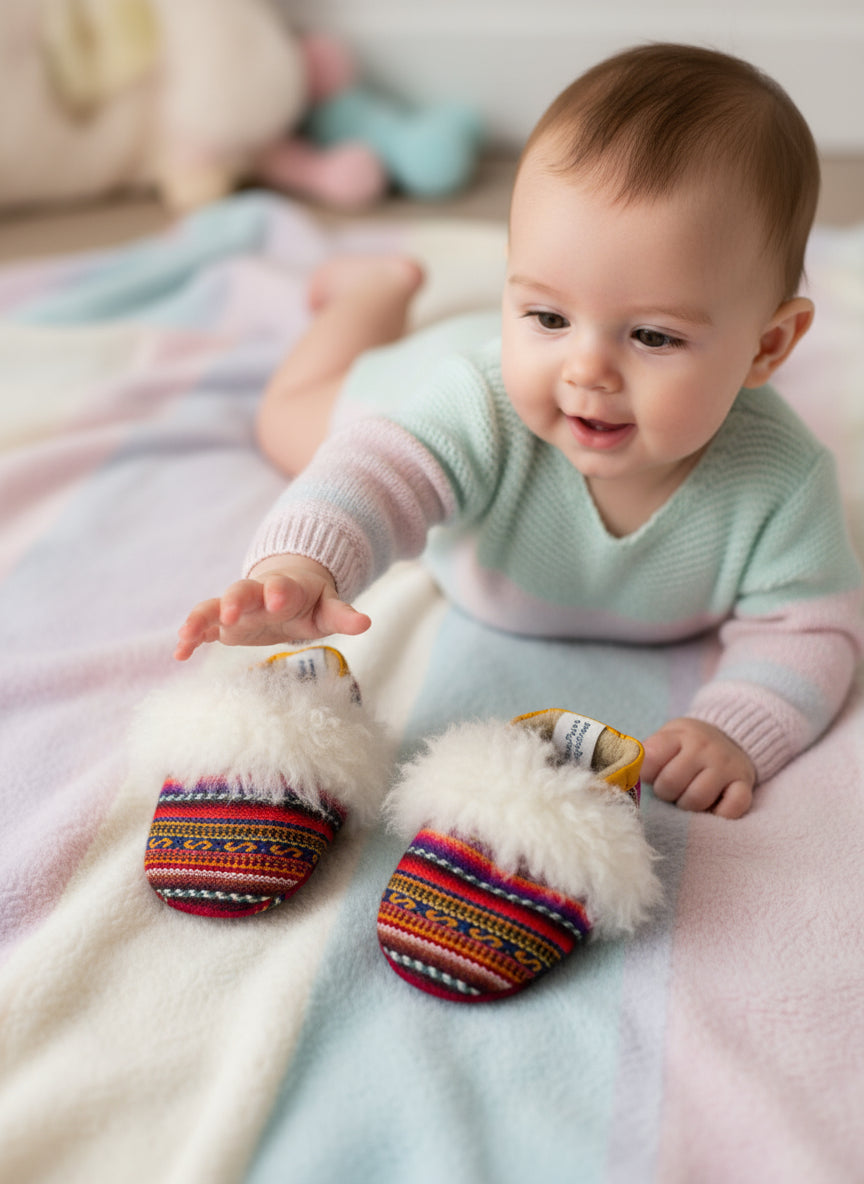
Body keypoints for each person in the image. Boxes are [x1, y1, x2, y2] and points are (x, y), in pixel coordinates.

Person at [175, 43, 863, 819]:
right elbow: (374, 472)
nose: (588, 370)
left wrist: (737, 725)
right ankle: (370, 293)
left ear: (767, 346)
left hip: (490, 358)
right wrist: (302, 566)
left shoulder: (781, 480)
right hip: (422, 377)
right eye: (548, 314)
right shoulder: (483, 405)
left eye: (654, 337)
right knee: (288, 415)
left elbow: (815, 627)